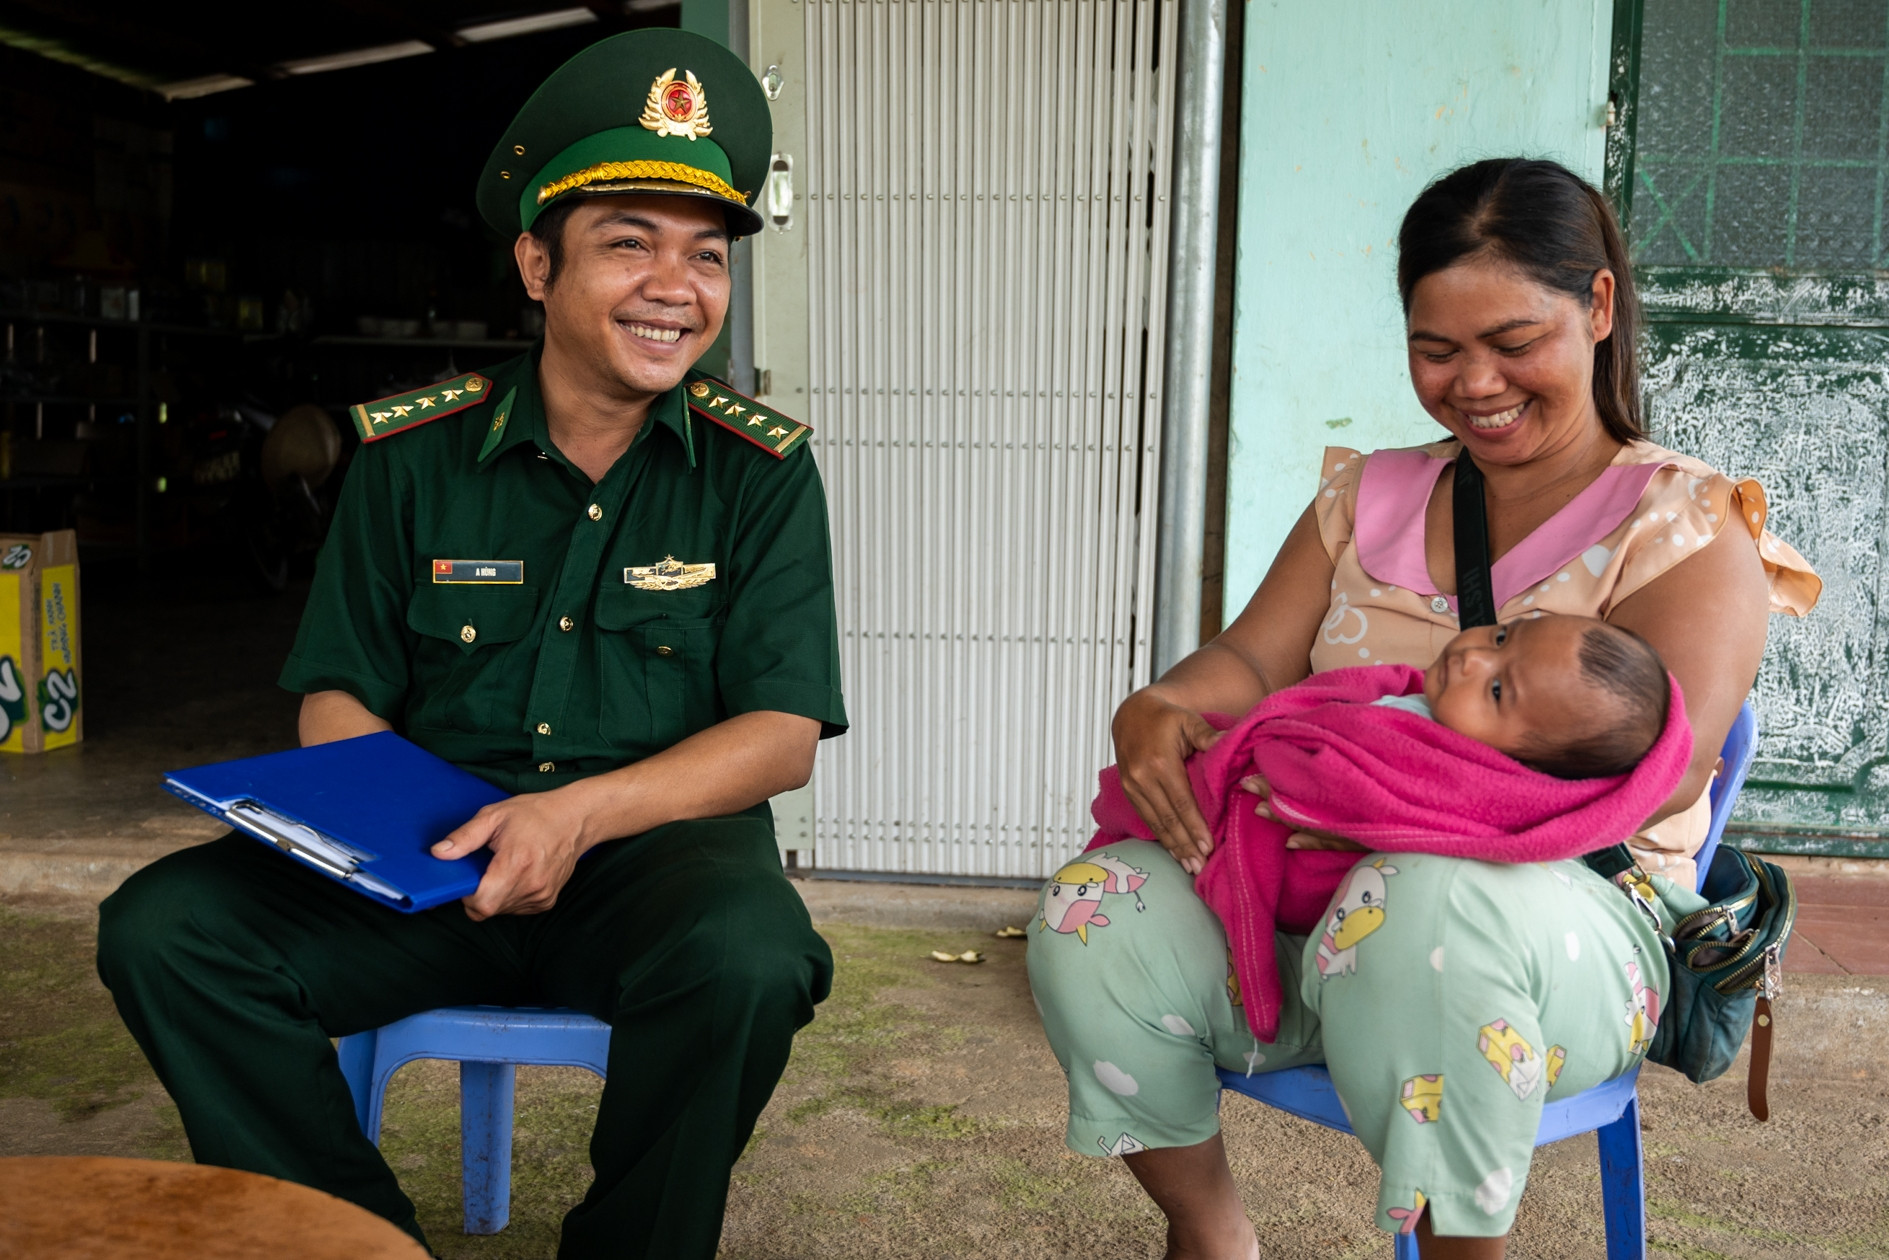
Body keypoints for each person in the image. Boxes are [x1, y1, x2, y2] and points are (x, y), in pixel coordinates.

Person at [96, 30, 846, 1260]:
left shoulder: (760, 474)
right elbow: (337, 693)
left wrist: (575, 818)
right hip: (431, 866)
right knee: (166, 930)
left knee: (752, 961)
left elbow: (778, 737)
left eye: (704, 255)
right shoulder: (411, 455)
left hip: (651, 866)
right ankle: (354, 1242)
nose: (676, 285)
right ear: (535, 264)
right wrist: (394, 835)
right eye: (628, 244)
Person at [1027, 158, 1819, 1260]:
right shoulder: (1365, 499)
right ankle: (1209, 1237)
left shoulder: (1684, 526)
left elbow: (1662, 772)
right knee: (1092, 909)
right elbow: (1250, 661)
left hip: (1553, 939)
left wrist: (1376, 794)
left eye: (1511, 343)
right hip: (1311, 912)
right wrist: (1155, 707)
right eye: (1435, 350)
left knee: (1426, 904)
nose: (1473, 384)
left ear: (1594, 308)